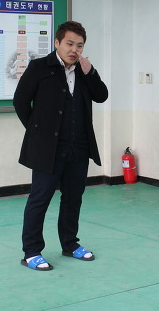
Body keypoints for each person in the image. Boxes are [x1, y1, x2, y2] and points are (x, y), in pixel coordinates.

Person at [13, 20, 108, 271]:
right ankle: (31, 251)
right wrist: (37, 132)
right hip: (48, 149)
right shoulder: (39, 67)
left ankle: (70, 244)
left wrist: (91, 72)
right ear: (57, 43)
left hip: (79, 147)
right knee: (40, 199)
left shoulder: (84, 71)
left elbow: (102, 95)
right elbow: (20, 101)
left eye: (80, 45)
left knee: (73, 198)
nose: (74, 50)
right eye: (69, 43)